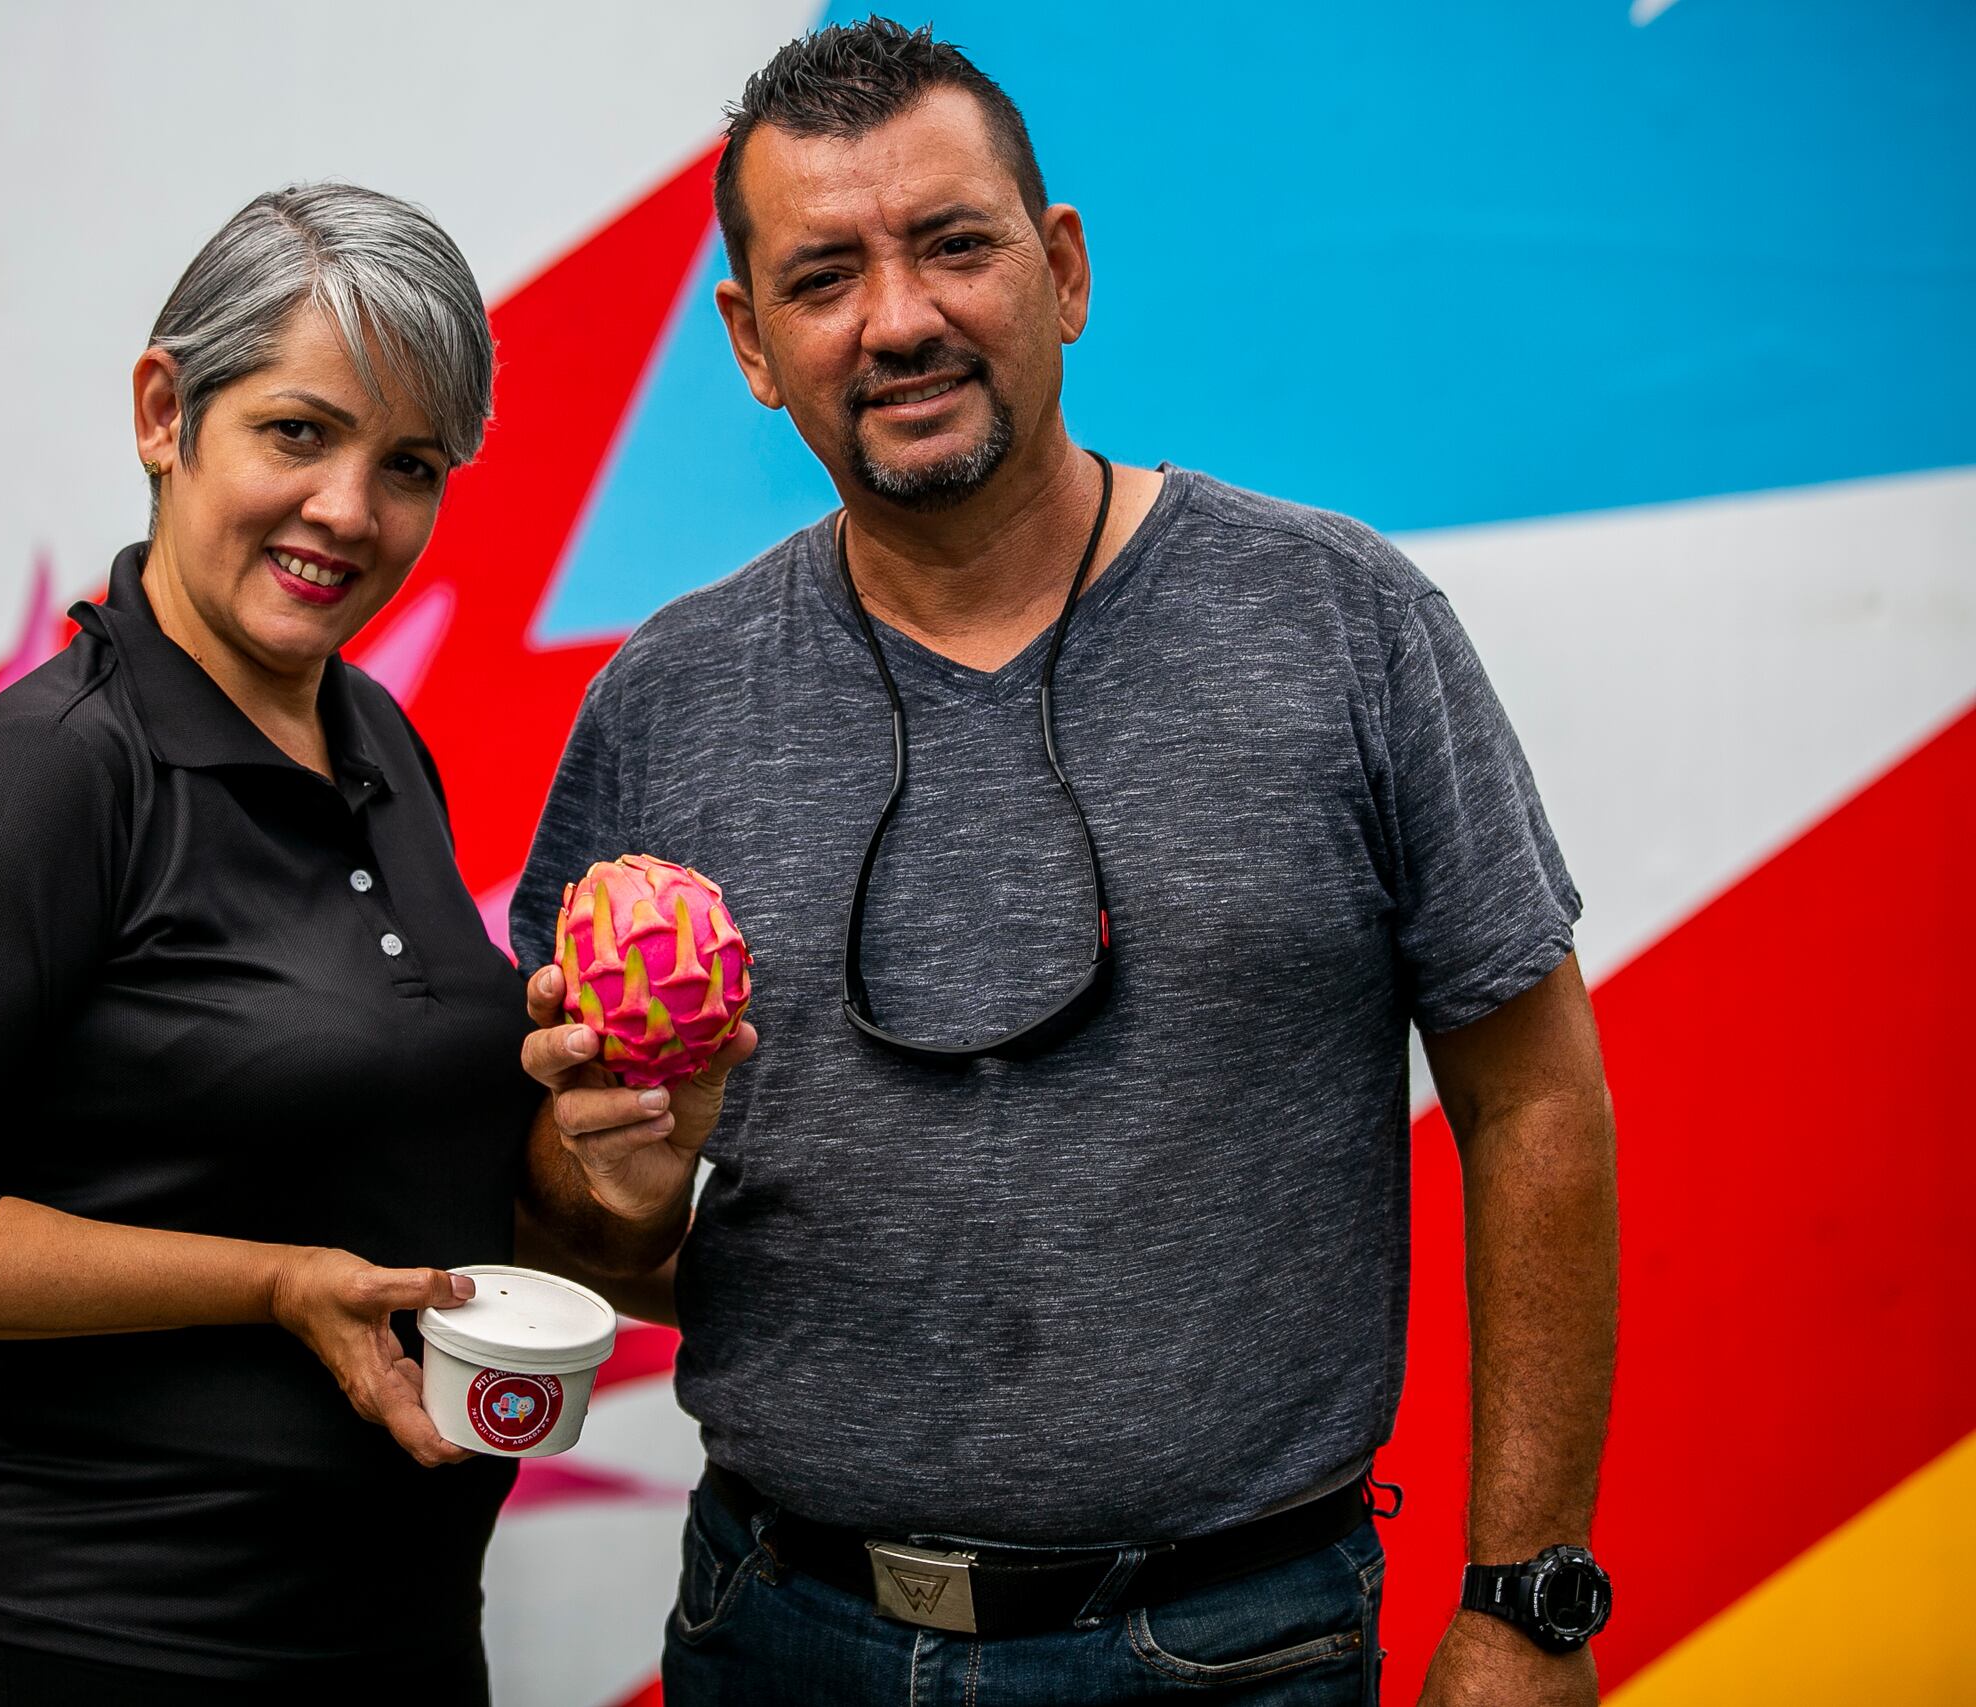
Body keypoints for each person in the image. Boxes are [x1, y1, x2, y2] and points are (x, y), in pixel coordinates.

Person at [513, 20, 1618, 1707]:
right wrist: (624, 1173)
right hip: (776, 1627)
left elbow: (1533, 1101)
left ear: (1062, 268)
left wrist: (1529, 1601)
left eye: (953, 244)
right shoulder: (663, 705)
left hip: (1239, 1644)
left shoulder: (1341, 626)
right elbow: (584, 1219)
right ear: (750, 341)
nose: (898, 319)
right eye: (824, 276)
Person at [0, 183, 535, 1704]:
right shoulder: (58, 772)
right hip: (103, 1633)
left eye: (409, 467)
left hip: (388, 1632)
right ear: (164, 412)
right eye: (299, 434)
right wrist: (269, 1285)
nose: (350, 514)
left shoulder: (370, 733)